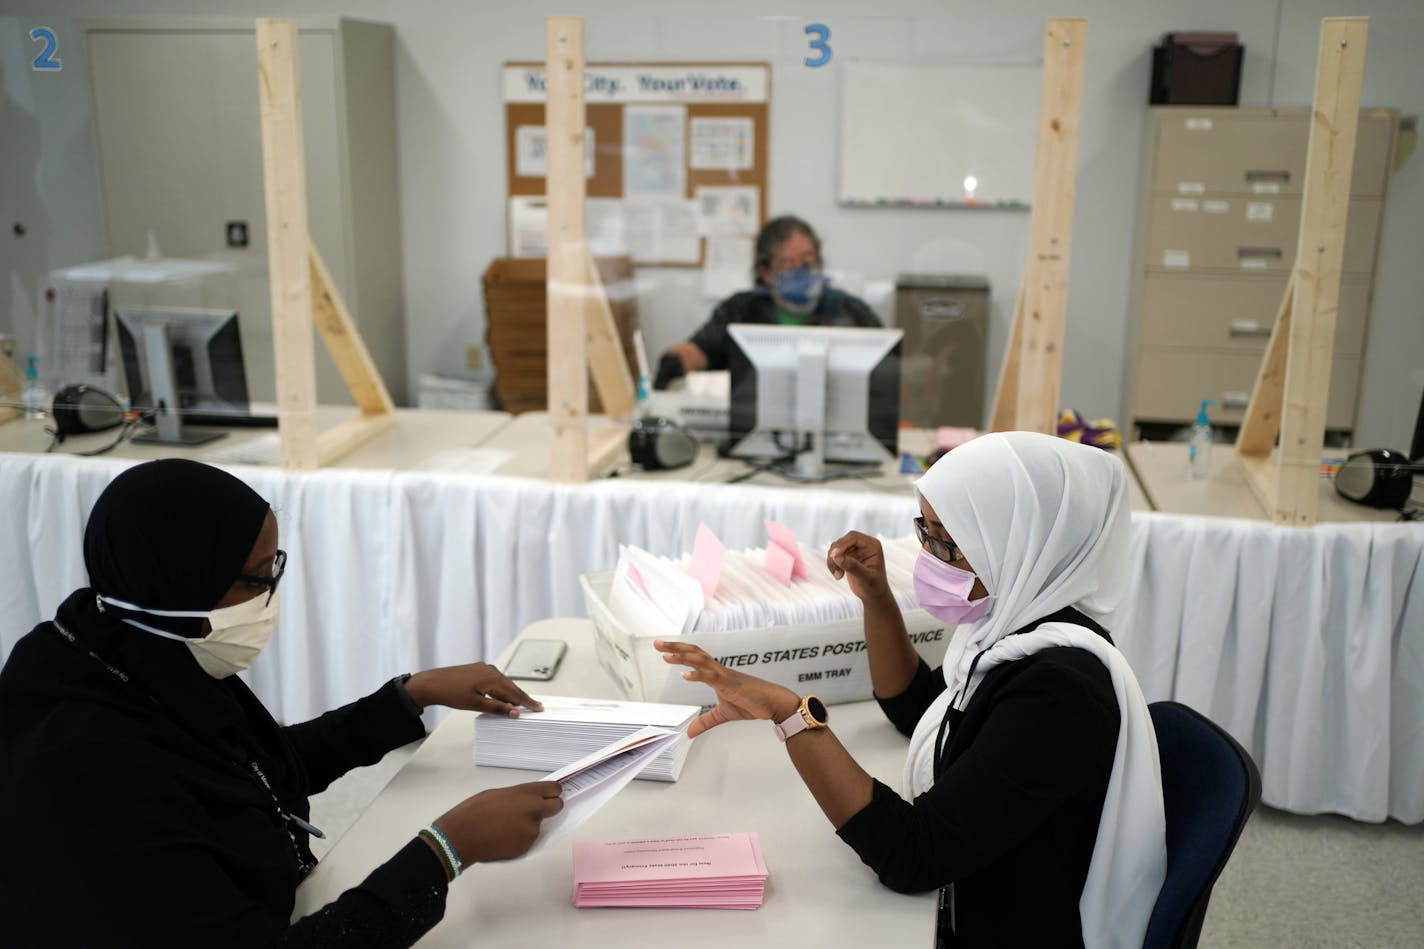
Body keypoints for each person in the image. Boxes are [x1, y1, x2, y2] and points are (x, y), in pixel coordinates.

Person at [0, 459, 563, 948]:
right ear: (181, 582)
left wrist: (408, 696)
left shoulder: (138, 646)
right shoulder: (92, 775)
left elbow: (253, 770)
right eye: (255, 579)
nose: (269, 594)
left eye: (275, 567)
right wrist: (446, 850)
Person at [655, 432, 1167, 947]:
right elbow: (918, 707)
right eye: (927, 532)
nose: (933, 558)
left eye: (950, 541)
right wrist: (876, 596)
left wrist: (790, 714)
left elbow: (913, 857)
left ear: (1019, 544)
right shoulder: (1015, 627)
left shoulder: (1059, 696)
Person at [655, 215, 881, 387]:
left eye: (808, 258)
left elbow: (888, 370)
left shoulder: (848, 310)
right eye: (787, 263)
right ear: (766, 273)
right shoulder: (741, 310)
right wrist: (676, 361)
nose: (800, 269)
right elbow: (701, 350)